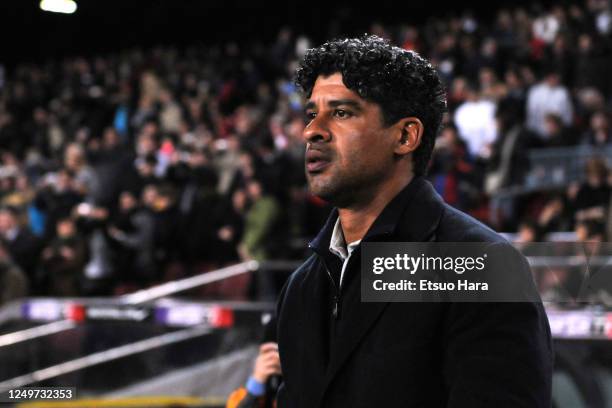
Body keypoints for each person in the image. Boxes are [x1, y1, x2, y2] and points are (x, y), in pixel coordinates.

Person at [276, 35, 552, 407]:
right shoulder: (301, 287)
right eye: (311, 114)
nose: (312, 131)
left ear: (405, 136)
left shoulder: (479, 268)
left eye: (341, 113)